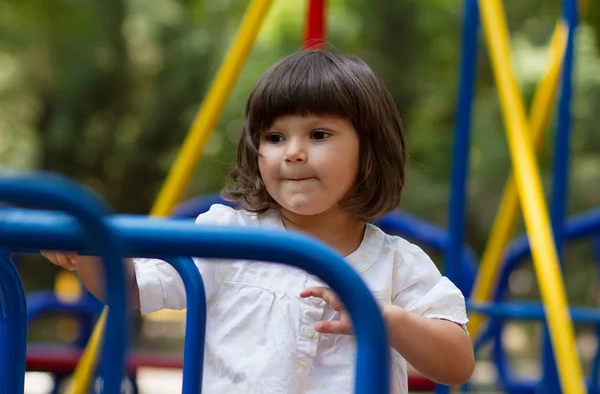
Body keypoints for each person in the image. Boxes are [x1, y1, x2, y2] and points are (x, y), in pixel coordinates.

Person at [42, 49, 475, 393]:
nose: (293, 152)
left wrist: (386, 319)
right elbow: (132, 288)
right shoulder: (230, 236)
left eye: (319, 135)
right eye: (274, 137)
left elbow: (456, 364)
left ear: (370, 152)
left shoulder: (395, 261)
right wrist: (89, 248)